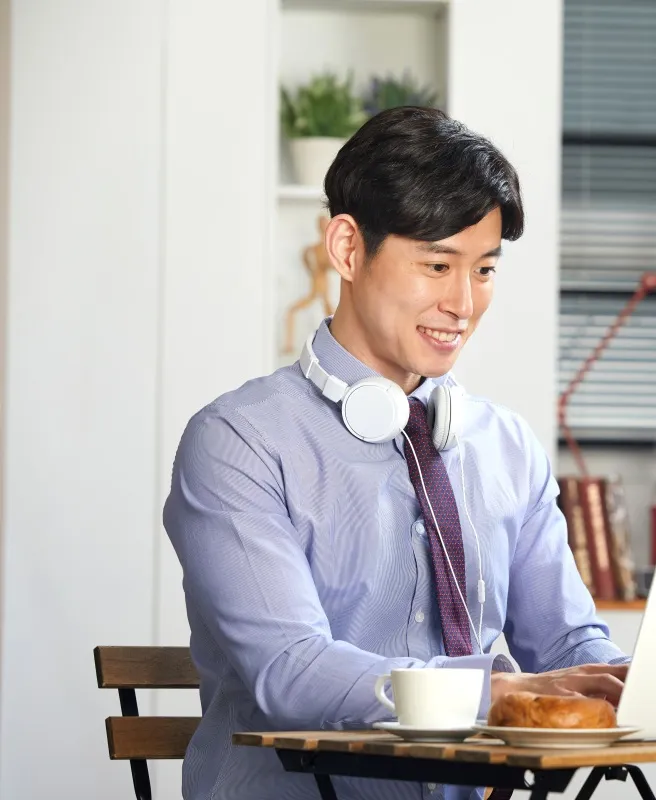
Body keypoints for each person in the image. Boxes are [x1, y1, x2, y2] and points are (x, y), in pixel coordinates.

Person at [162, 106, 629, 800]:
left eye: (486, 270)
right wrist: (496, 691)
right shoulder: (238, 444)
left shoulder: (507, 449)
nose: (463, 303)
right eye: (438, 265)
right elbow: (291, 674)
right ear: (348, 250)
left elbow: (566, 649)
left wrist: (644, 680)